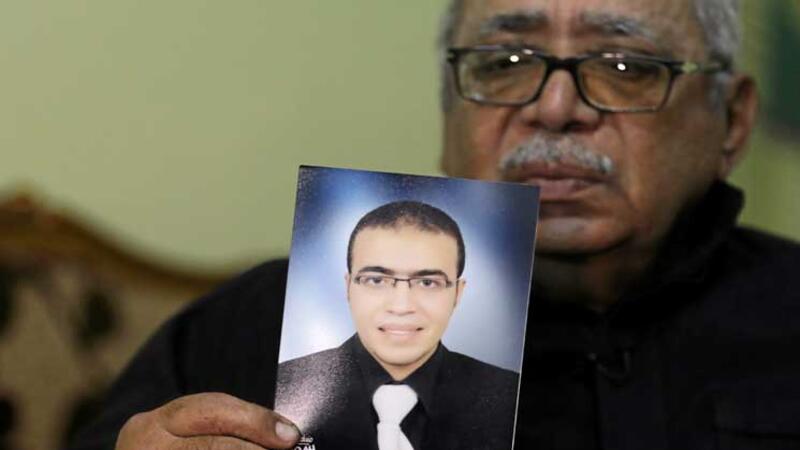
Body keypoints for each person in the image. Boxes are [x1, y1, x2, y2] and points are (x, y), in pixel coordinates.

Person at [68, 0, 800, 449]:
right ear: (449, 110)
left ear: (732, 122)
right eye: (503, 61)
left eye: (626, 65)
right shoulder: (251, 327)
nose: (554, 108)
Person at [275, 200, 518, 450]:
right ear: (348, 287)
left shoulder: (512, 397)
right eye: (376, 280)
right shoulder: (282, 386)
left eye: (427, 283)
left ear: (458, 293)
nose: (401, 307)